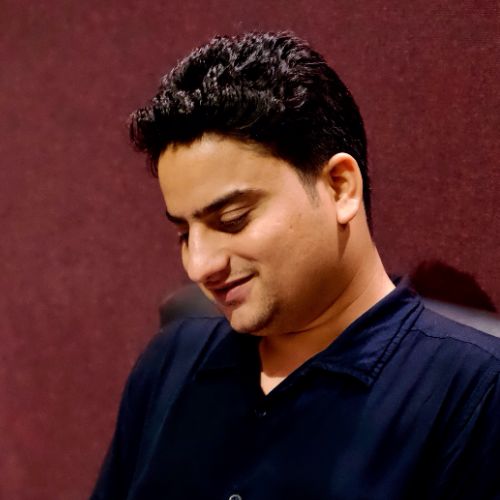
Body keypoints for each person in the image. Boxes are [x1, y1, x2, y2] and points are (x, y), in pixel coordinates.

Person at [91, 32, 500, 499]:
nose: (200, 265)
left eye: (232, 219)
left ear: (340, 187)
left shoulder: (474, 393)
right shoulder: (170, 363)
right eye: (185, 234)